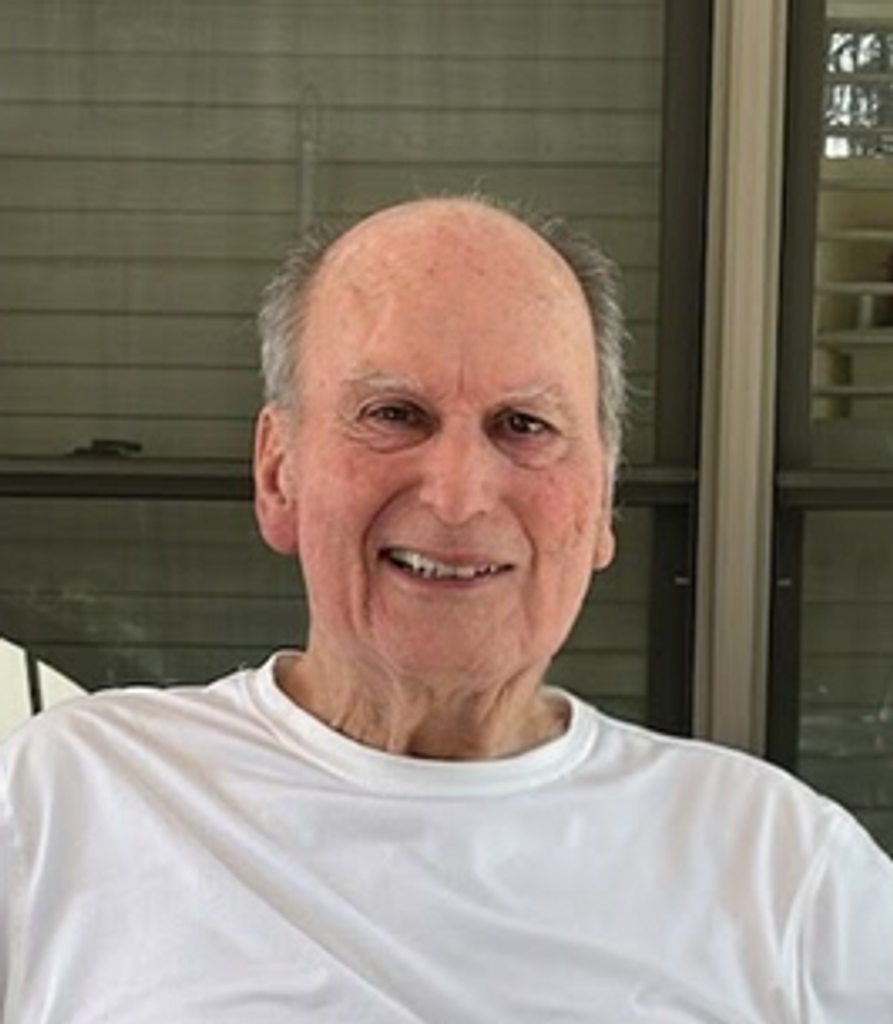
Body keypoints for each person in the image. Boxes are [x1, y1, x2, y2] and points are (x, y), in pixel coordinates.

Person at [1, 195, 892, 1023]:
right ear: (278, 473)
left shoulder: (779, 870)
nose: (460, 496)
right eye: (394, 414)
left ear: (603, 502)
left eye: (524, 425)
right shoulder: (63, 801)